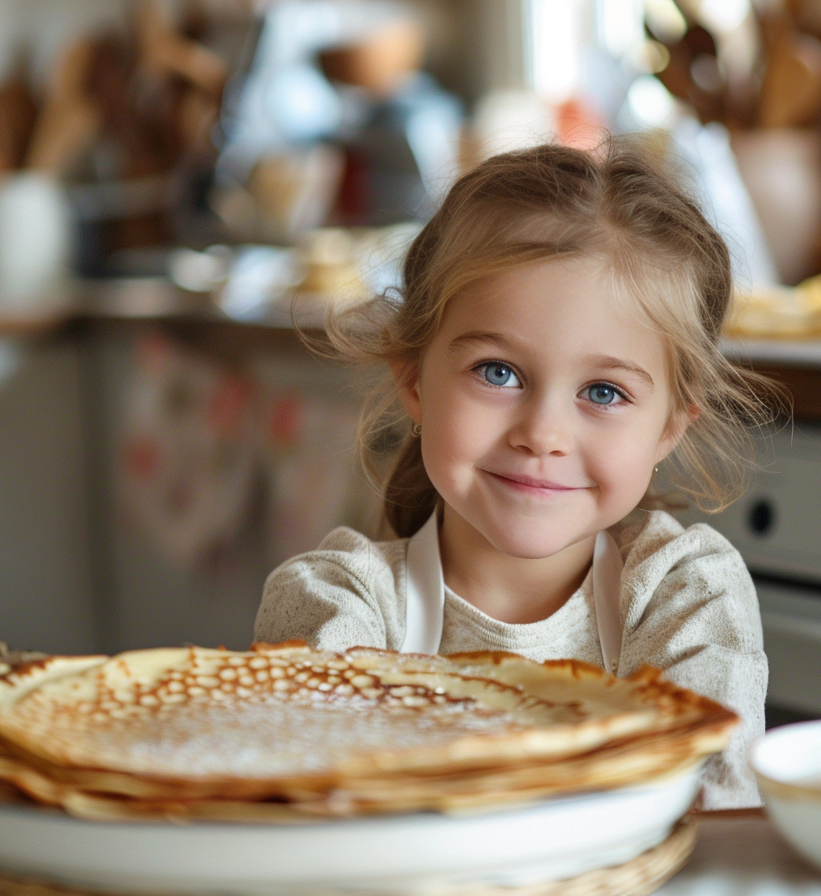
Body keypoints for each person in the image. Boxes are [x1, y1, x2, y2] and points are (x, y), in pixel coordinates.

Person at [255, 140, 776, 809]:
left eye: (604, 393)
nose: (543, 435)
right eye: (498, 373)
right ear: (415, 381)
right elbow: (313, 804)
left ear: (669, 428)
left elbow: (714, 818)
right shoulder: (338, 603)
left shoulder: (686, 595)